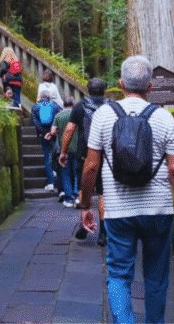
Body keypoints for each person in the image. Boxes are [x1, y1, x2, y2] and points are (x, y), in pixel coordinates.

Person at [75, 55, 174, 324]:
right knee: (155, 278)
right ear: (150, 86)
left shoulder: (104, 115)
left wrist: (85, 205)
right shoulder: (164, 118)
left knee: (118, 275)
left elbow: (90, 167)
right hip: (158, 210)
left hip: (118, 212)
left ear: (120, 84)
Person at [58, 78, 111, 245]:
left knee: (83, 187)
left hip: (85, 153)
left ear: (88, 90)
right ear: (104, 91)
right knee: (102, 193)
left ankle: (84, 223)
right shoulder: (111, 106)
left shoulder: (80, 106)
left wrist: (63, 151)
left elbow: (70, 129)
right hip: (105, 153)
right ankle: (103, 232)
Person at [31, 92, 61, 191]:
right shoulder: (55, 106)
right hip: (54, 135)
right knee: (56, 155)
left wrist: (44, 133)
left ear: (40, 97)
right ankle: (59, 182)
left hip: (42, 136)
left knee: (47, 157)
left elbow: (35, 121)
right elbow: (58, 119)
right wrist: (51, 132)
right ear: (49, 97)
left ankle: (50, 183)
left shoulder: (35, 107)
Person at [51, 96, 77, 206]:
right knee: (76, 173)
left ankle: (68, 198)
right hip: (76, 148)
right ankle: (77, 196)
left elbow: (53, 132)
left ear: (63, 105)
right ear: (73, 104)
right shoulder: (77, 114)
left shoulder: (58, 115)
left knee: (65, 174)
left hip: (64, 149)